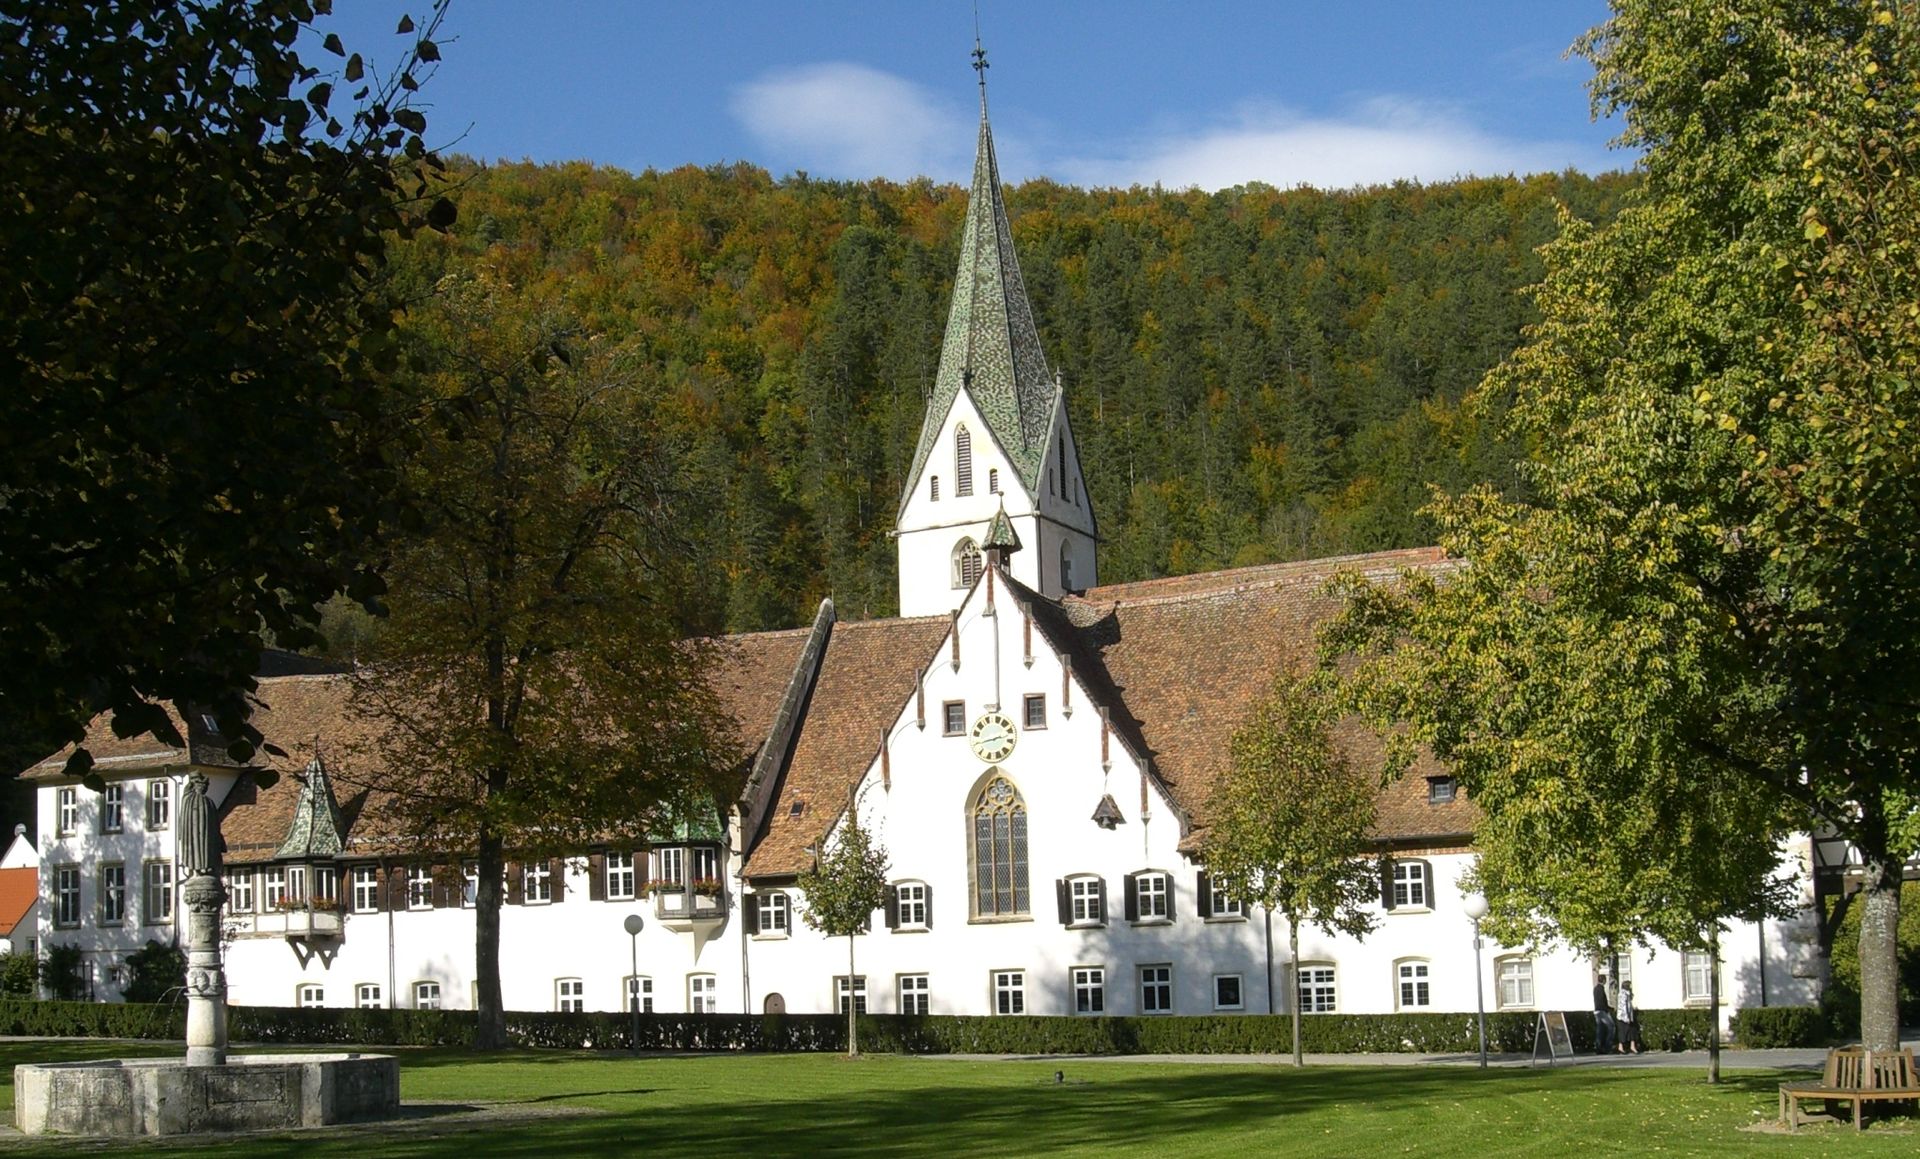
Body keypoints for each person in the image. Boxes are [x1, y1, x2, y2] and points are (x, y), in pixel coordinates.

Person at [1615, 980, 1642, 1054]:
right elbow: (1623, 1006)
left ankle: (1631, 1046)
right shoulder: (1623, 994)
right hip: (1623, 1017)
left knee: (1631, 1031)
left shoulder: (1626, 994)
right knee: (1624, 1032)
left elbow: (1628, 1005)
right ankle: (1622, 1047)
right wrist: (1627, 1017)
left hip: (1626, 1016)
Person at [1593, 974, 1615, 1055]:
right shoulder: (1601, 989)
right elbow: (1602, 1002)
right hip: (1602, 1011)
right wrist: (1608, 1009)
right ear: (1604, 980)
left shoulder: (1595, 988)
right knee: (1611, 1026)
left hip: (1597, 1011)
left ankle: (1598, 1047)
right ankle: (1607, 1046)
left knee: (1600, 1030)